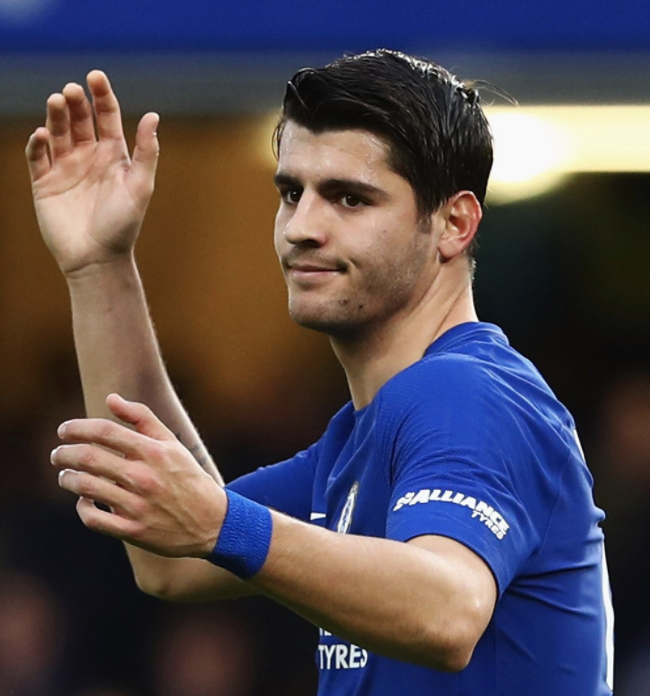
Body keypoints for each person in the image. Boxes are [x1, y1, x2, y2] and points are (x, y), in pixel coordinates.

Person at [26, 50, 614, 695]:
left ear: (454, 223)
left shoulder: (465, 392)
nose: (301, 228)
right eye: (291, 193)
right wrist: (100, 266)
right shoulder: (358, 440)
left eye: (349, 198)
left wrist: (221, 522)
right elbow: (171, 561)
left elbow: (448, 611)